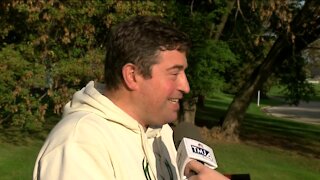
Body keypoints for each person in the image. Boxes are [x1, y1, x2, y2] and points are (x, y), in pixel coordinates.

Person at [33, 16, 229, 180]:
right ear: (132, 75)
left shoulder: (162, 134)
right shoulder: (79, 144)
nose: (185, 86)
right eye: (174, 73)